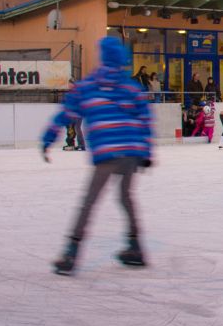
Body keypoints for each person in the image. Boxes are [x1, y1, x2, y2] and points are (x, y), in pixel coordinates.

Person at [41, 36, 153, 276]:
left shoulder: (88, 85)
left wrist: (47, 140)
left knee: (90, 201)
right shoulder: (131, 87)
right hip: (131, 151)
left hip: (106, 151)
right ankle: (136, 247)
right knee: (126, 197)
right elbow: (145, 120)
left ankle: (71, 252)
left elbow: (66, 114)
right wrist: (146, 151)